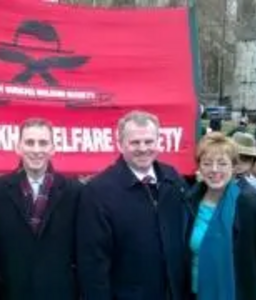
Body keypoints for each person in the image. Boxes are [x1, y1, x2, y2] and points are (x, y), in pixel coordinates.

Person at [77, 110, 189, 300]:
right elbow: (93, 262)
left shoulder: (173, 180)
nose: (143, 148)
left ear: (158, 142)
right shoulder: (98, 191)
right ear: (120, 144)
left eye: (149, 141)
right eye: (135, 142)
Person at [0, 118, 81, 300]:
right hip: (8, 291)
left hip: (60, 292)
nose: (36, 150)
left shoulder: (75, 191)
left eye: (43, 143)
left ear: (53, 148)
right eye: (29, 142)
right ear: (18, 147)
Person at [187, 132, 256, 299]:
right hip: (193, 293)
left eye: (222, 163)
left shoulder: (253, 206)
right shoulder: (189, 201)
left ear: (234, 167)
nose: (214, 170)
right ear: (199, 167)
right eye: (207, 163)